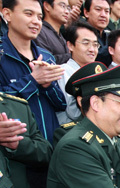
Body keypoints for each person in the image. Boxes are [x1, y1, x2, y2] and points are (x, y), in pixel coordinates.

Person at [0, 0, 66, 144]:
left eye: (39, 17)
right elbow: (3, 101)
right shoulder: (2, 55)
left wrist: (48, 86)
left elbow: (61, 104)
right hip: (18, 149)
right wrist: (33, 80)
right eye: (29, 14)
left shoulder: (47, 56)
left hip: (50, 147)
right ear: (7, 14)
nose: (36, 21)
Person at [57, 21, 100, 125]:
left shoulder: (96, 74)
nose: (92, 49)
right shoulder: (63, 72)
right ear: (70, 46)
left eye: (95, 45)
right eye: (86, 43)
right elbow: (73, 113)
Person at [35, 0, 70, 64]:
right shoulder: (40, 31)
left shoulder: (60, 36)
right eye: (62, 6)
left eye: (68, 8)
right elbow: (46, 59)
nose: (67, 11)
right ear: (47, 6)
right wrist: (73, 56)